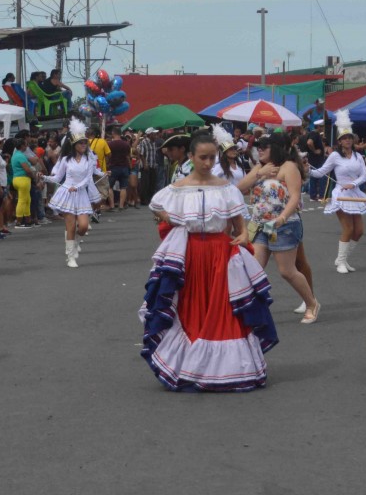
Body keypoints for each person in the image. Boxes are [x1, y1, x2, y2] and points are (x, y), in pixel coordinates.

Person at [141, 132, 278, 391]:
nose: (207, 162)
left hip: (220, 254)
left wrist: (241, 237)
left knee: (221, 311)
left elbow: (239, 223)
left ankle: (226, 371)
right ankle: (189, 368)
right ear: (191, 157)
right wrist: (172, 220)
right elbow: (155, 204)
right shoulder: (177, 188)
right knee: (191, 310)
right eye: (202, 157)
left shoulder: (225, 187)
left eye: (211, 157)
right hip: (190, 254)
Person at [243, 133, 319, 323]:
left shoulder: (289, 167)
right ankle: (253, 308)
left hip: (283, 226)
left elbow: (294, 197)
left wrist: (282, 217)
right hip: (260, 225)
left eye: (264, 146)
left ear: (276, 148)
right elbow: (239, 188)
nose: (259, 148)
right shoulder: (260, 167)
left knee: (287, 271)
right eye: (258, 145)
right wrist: (260, 173)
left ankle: (311, 303)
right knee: (254, 268)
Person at [308, 109, 366, 274]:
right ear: (340, 141)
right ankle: (341, 262)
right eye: (344, 138)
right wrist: (307, 170)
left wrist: (354, 184)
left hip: (355, 193)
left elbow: (364, 175)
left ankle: (343, 258)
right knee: (348, 229)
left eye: (350, 137)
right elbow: (321, 172)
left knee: (359, 231)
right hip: (341, 194)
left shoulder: (358, 156)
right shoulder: (335, 156)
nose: (348, 140)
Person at [43, 120, 104, 267]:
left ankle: (76, 241)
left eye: (85, 143)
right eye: (81, 143)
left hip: (81, 194)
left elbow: (88, 178)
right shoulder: (65, 159)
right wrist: (44, 177)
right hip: (67, 194)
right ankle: (70, 256)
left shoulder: (89, 160)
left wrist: (77, 187)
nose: (84, 145)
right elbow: (57, 178)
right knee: (70, 226)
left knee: (83, 226)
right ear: (74, 145)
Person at [106, 127, 131, 211]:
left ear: (113, 133)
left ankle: (112, 206)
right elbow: (128, 156)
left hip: (113, 167)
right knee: (123, 187)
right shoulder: (126, 144)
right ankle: (121, 206)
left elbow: (108, 156)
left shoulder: (110, 144)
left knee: (110, 187)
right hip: (124, 167)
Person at [303, 119, 328, 201]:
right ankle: (321, 195)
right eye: (322, 126)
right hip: (316, 159)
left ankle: (313, 195)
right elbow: (309, 143)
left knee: (313, 176)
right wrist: (315, 151)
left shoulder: (313, 134)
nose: (323, 128)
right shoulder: (315, 133)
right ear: (319, 127)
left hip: (313, 159)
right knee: (321, 175)